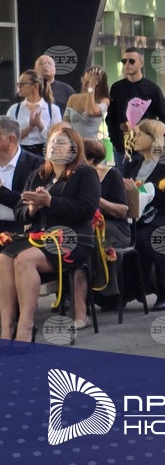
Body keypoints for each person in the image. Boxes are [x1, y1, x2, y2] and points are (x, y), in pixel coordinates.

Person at [0, 124, 100, 345]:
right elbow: (20, 213)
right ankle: (7, 329)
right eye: (52, 142)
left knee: (24, 260)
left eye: (61, 143)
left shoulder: (85, 174)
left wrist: (51, 201)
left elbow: (86, 210)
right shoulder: (38, 175)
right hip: (39, 237)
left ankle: (26, 327)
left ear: (74, 148)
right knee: (4, 257)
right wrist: (32, 209)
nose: (54, 146)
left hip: (73, 240)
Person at [120, 119, 165, 312]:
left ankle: (163, 293)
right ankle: (125, 291)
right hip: (134, 216)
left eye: (139, 134)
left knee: (148, 239)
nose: (134, 138)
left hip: (162, 215)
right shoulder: (132, 164)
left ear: (154, 138)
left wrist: (139, 191)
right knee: (121, 239)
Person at [81, 137, 130, 328]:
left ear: (91, 159)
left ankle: (100, 290)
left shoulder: (112, 175)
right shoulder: (75, 176)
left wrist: (97, 199)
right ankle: (76, 293)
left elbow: (122, 210)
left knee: (96, 235)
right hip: (89, 226)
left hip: (115, 227)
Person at [107, 48, 165, 169]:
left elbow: (164, 118)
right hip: (122, 148)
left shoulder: (153, 89)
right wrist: (116, 140)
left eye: (131, 61)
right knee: (123, 179)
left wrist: (151, 136)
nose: (127, 64)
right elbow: (110, 118)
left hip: (145, 149)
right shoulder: (117, 88)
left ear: (141, 63)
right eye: (124, 61)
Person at [0, 117, 43, 237]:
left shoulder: (36, 164)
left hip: (20, 232)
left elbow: (30, 202)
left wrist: (2, 191)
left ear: (11, 139)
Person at [9, 69, 62, 157]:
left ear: (35, 85)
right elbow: (9, 137)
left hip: (44, 152)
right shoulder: (14, 109)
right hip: (20, 152)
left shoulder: (53, 109)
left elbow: (57, 138)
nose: (19, 87)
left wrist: (40, 126)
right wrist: (29, 128)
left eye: (23, 84)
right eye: (18, 84)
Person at [63, 67, 110, 140]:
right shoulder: (73, 98)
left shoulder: (104, 100)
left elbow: (90, 111)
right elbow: (65, 123)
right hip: (73, 142)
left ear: (97, 85)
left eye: (88, 83)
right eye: (84, 80)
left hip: (91, 143)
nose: (84, 85)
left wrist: (91, 87)